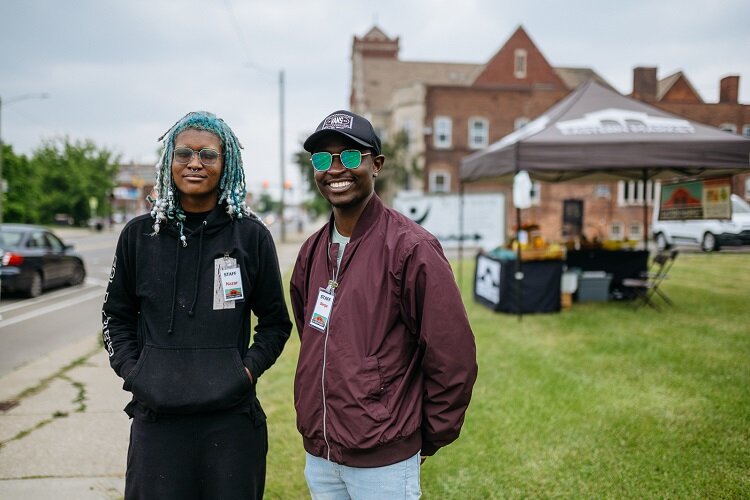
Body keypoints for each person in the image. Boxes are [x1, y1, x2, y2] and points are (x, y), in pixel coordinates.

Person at [102, 111, 291, 499]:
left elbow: (275, 323)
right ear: (168, 162)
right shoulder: (139, 236)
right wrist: (136, 373)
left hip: (231, 422)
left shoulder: (251, 237)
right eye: (184, 153)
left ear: (226, 166)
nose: (194, 163)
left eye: (208, 155)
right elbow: (115, 316)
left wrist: (244, 373)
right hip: (157, 421)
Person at [290, 110, 478, 499]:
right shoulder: (311, 251)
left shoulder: (412, 248)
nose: (336, 168)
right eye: (323, 159)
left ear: (376, 165)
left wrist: (424, 437)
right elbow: (311, 334)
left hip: (384, 460)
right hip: (321, 455)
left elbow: (452, 355)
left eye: (352, 156)